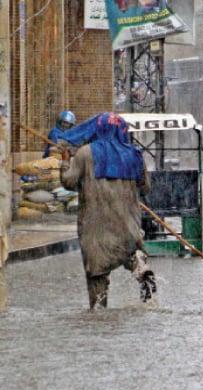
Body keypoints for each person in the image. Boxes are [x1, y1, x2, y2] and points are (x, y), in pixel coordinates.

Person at [60, 113, 156, 309]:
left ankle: (100, 313)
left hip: (96, 228)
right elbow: (145, 187)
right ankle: (139, 265)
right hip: (128, 224)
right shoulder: (134, 155)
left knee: (97, 273)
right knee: (131, 252)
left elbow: (69, 182)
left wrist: (64, 162)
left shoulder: (85, 154)